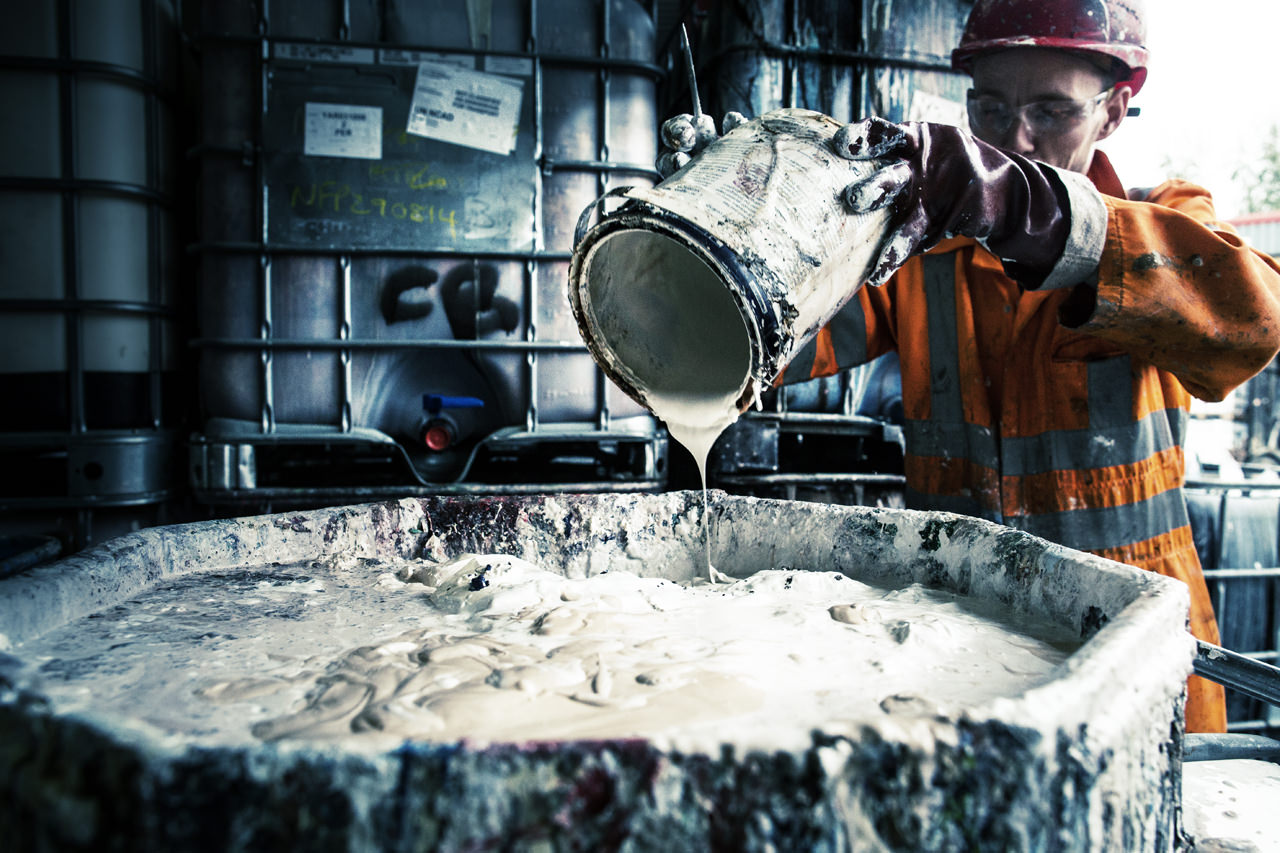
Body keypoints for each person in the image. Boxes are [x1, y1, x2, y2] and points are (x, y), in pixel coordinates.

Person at [659, 0, 1280, 733]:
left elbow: (1257, 321)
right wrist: (719, 234)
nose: (1017, 139)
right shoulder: (921, 256)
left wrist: (1032, 212)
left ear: (1113, 112)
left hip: (1132, 654)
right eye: (991, 109)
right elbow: (759, 342)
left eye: (1052, 111)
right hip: (957, 654)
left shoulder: (1159, 228)